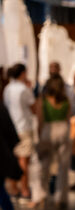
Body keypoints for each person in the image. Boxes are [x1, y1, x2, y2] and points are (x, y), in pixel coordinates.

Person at [36, 74, 71, 210]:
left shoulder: (43, 100)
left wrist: (40, 136)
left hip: (48, 130)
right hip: (63, 128)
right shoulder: (66, 101)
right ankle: (61, 198)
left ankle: (44, 195)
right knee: (63, 166)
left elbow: (40, 120)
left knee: (45, 165)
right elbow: (68, 117)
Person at [3, 62, 37, 200]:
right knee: (24, 160)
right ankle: (24, 190)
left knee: (14, 158)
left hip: (11, 127)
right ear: (22, 73)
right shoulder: (24, 89)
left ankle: (13, 188)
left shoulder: (8, 88)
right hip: (23, 127)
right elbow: (34, 109)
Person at [0, 101, 23, 210]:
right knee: (1, 192)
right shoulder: (1, 107)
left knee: (1, 192)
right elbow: (12, 135)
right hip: (2, 157)